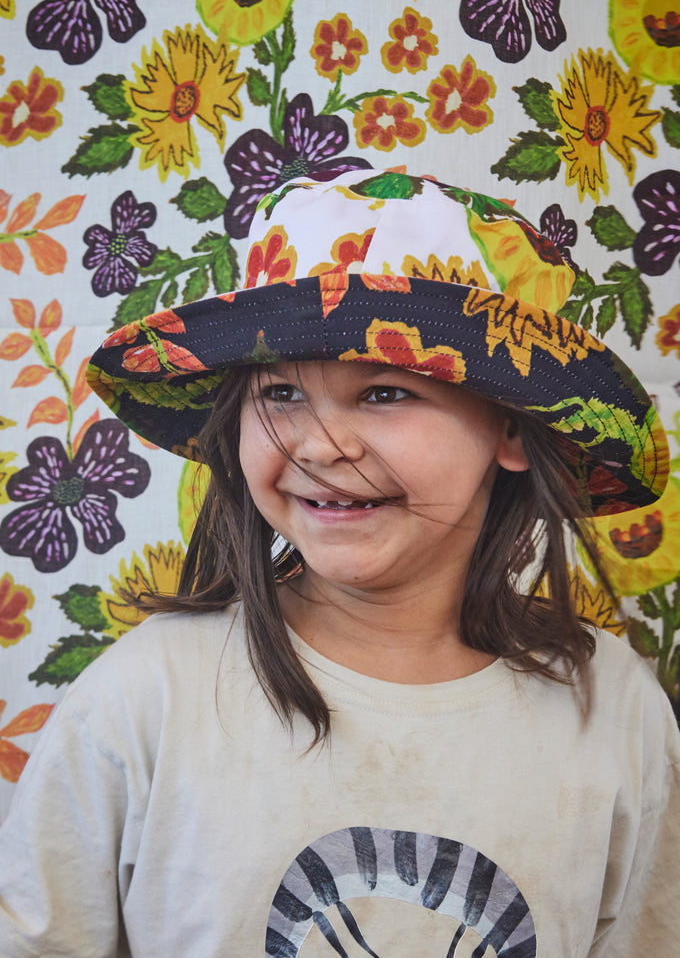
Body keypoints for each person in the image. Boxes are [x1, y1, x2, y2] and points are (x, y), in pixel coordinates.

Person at [0, 169, 678, 957]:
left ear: (513, 431)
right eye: (281, 393)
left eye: (386, 393)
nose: (322, 447)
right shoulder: (143, 700)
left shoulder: (615, 714)